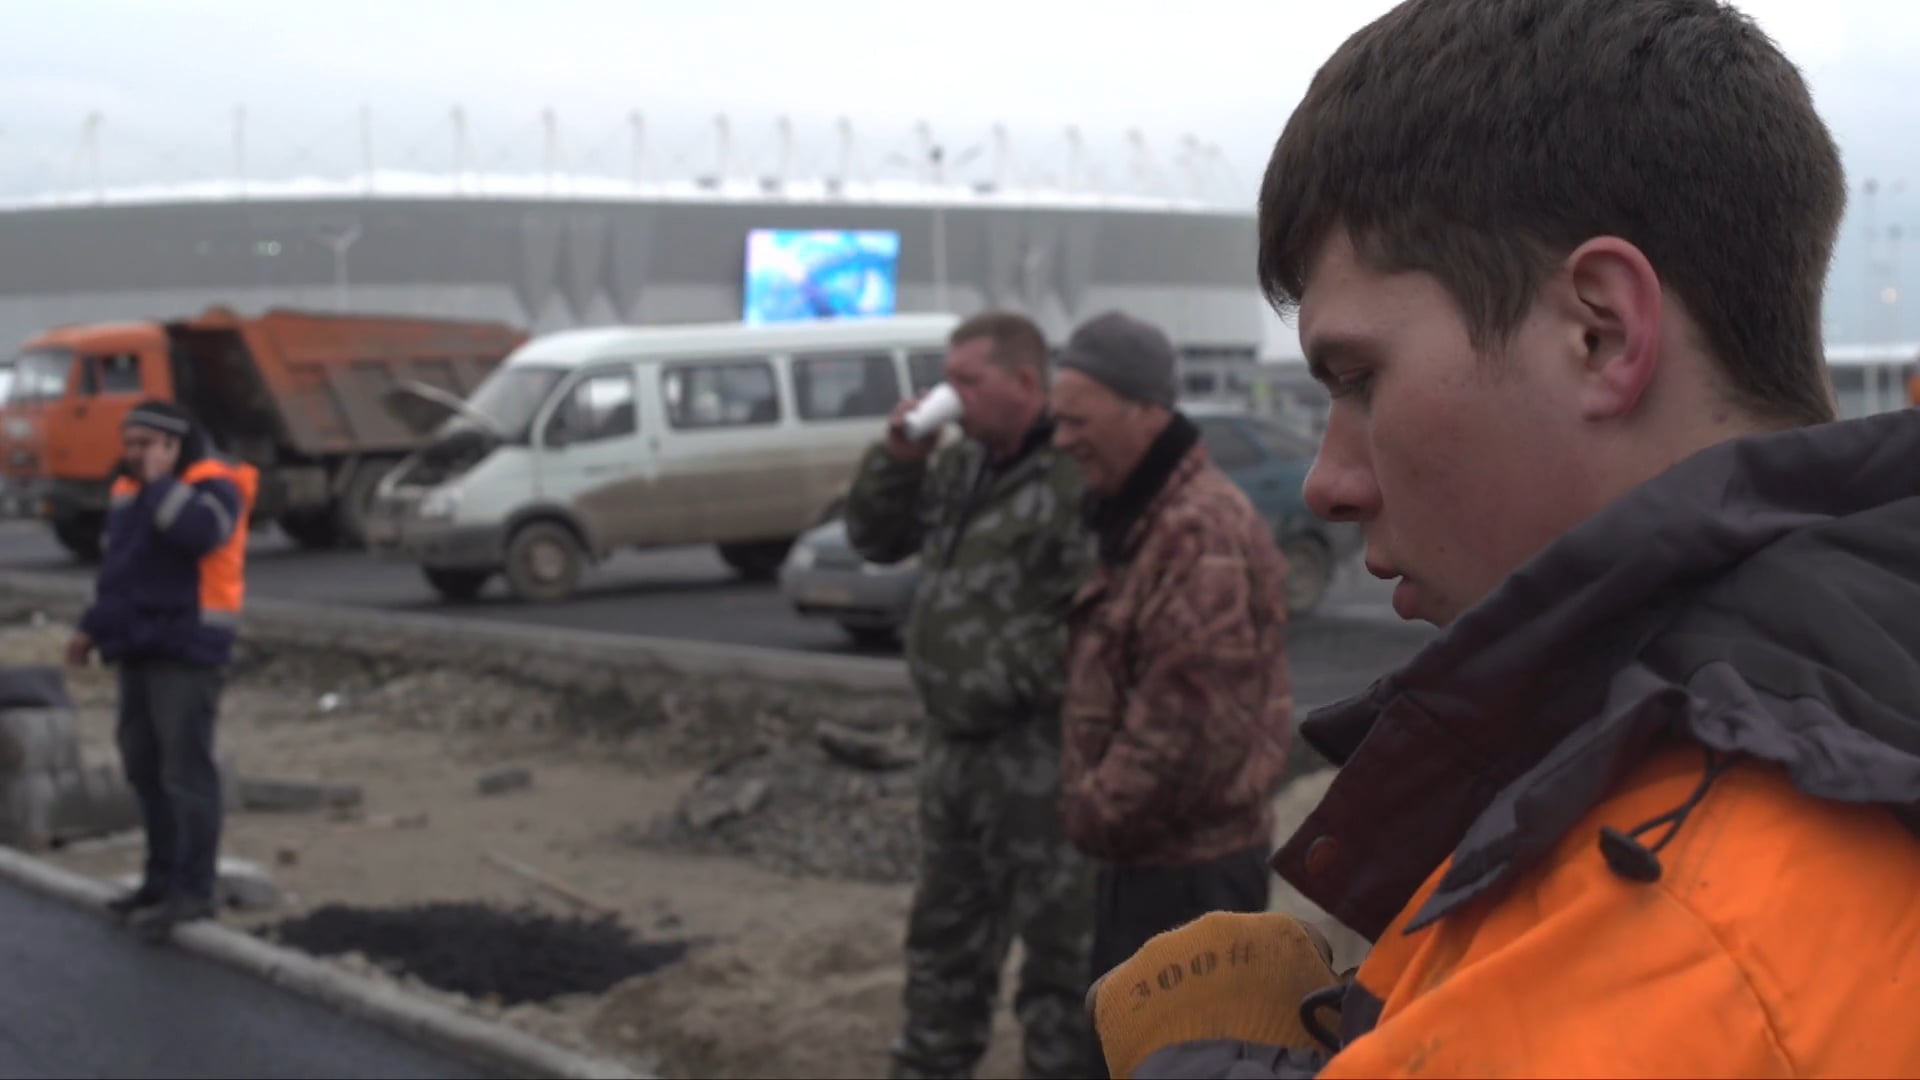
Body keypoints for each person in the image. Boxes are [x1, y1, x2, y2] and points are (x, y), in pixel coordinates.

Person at [1085, 0, 1920, 1077]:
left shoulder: (1686, 914)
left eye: (1360, 378)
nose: (1328, 484)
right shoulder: (1831, 709)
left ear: (1600, 333)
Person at [843, 311, 1101, 1079]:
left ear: (1026, 382)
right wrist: (899, 457)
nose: (948, 395)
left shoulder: (1073, 472)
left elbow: (1096, 622)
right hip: (954, 757)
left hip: (1042, 761)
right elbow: (873, 537)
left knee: (1062, 964)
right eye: (946, 379)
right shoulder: (957, 466)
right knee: (942, 950)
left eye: (966, 381)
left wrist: (994, 679)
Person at [1048, 311, 1295, 989]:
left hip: (1186, 884)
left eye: (1078, 421)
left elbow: (1186, 730)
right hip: (1152, 864)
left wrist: (1092, 814)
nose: (1062, 441)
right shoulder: (1144, 520)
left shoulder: (1196, 534)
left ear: (1144, 412)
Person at [66, 401, 258, 942]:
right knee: (145, 768)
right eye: (130, 444)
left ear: (175, 445)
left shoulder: (215, 485)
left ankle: (193, 891)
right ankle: (159, 880)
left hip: (188, 648)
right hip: (137, 646)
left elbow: (200, 534)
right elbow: (119, 573)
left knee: (185, 772)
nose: (134, 455)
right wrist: (90, 629)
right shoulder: (129, 491)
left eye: (147, 444)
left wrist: (159, 484)